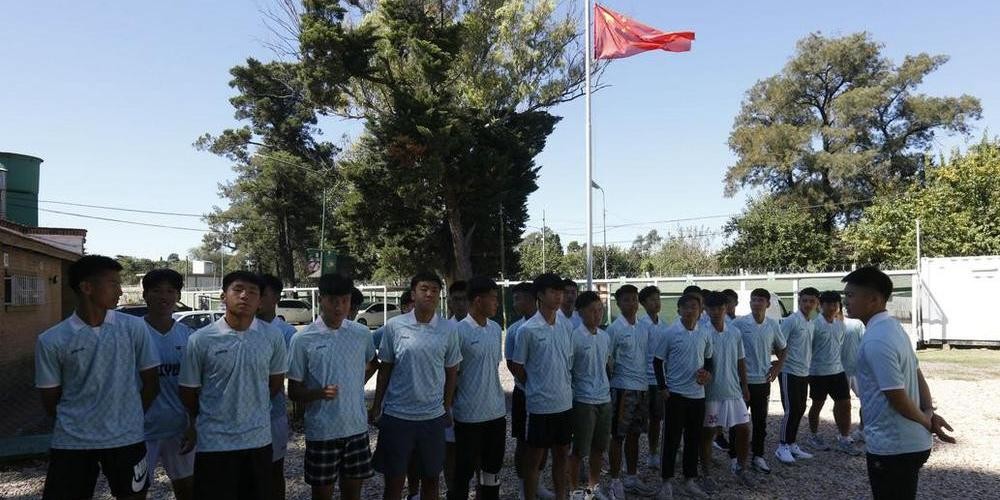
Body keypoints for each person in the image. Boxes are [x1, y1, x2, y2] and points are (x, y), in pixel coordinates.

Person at [36, 255, 160, 500]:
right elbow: (50, 399)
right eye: (113, 283)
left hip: (127, 437)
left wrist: (129, 415)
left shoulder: (134, 328)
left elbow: (151, 382)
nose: (121, 290)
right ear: (87, 287)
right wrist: (79, 420)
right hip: (72, 441)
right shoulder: (52, 340)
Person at [842, 267, 955, 500]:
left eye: (851, 295)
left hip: (893, 446)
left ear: (873, 299)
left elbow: (897, 397)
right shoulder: (893, 328)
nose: (845, 301)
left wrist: (927, 420)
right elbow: (917, 372)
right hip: (907, 443)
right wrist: (929, 413)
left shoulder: (876, 339)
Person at [179, 271, 288, 500]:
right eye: (237, 289)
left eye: (253, 292)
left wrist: (252, 407)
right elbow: (188, 391)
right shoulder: (201, 339)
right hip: (214, 443)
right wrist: (214, 414)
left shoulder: (272, 337)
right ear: (223, 296)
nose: (244, 296)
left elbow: (275, 383)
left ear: (259, 301)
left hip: (258, 440)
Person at [287, 273, 379, 500]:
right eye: (333, 301)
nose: (339, 307)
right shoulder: (303, 339)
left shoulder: (360, 333)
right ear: (321, 299)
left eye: (345, 301)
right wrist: (318, 393)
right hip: (322, 431)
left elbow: (373, 363)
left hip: (356, 428)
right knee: (322, 494)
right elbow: (294, 391)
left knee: (353, 494)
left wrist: (357, 382)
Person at [370, 272, 462, 500]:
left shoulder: (448, 329)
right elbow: (385, 368)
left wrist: (447, 406)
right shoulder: (395, 326)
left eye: (434, 289)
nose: (429, 293)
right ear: (413, 293)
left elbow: (452, 372)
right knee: (394, 479)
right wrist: (376, 405)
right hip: (398, 415)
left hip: (431, 417)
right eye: (424, 288)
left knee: (431, 479)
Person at [510, 273, 575, 500]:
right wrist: (536, 385)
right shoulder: (526, 330)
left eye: (561, 292)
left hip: (565, 403)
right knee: (534, 460)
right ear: (540, 295)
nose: (559, 297)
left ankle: (561, 496)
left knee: (561, 456)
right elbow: (517, 366)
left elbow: (569, 362)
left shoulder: (566, 326)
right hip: (538, 406)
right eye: (553, 292)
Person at [450, 277, 507, 500]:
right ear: (477, 300)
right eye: (493, 298)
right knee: (463, 471)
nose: (497, 303)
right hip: (469, 415)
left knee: (492, 470)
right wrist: (449, 406)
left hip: (496, 412)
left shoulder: (494, 329)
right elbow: (452, 374)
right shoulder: (458, 331)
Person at [141, 269, 196, 500]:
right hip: (141, 430)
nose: (164, 296)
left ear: (178, 295)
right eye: (156, 291)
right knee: (136, 490)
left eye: (170, 291)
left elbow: (196, 388)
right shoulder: (132, 333)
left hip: (179, 428)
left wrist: (194, 424)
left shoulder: (189, 337)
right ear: (145, 295)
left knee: (187, 489)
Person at [653, 293, 713, 499]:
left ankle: (689, 480)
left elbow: (709, 358)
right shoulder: (670, 332)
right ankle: (666, 482)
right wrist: (663, 387)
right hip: (675, 395)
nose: (690, 311)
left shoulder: (704, 332)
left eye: (694, 307)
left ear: (700, 310)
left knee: (693, 439)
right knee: (671, 439)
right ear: (679, 310)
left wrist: (707, 373)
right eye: (686, 307)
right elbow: (658, 361)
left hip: (698, 395)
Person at [606, 285, 658, 498]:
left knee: (635, 435)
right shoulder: (614, 329)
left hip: (642, 388)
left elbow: (647, 358)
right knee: (618, 436)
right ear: (618, 304)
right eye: (626, 300)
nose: (632, 303)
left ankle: (631, 477)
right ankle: (615, 480)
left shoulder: (644, 328)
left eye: (635, 299)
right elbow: (607, 362)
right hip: (622, 389)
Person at [505, 282, 555, 500]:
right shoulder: (516, 330)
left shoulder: (552, 324)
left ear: (533, 299)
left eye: (520, 298)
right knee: (523, 441)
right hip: (524, 394)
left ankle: (538, 482)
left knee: (544, 441)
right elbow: (511, 363)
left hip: (549, 395)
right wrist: (529, 383)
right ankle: (523, 485)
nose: (516, 303)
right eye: (514, 299)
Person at [729, 288, 786, 474]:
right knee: (737, 421)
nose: (756, 303)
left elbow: (782, 348)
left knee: (760, 421)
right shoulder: (739, 323)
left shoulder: (772, 325)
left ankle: (758, 456)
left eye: (760, 300)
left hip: (763, 381)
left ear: (768, 304)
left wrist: (778, 366)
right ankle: (734, 457)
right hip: (740, 381)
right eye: (753, 299)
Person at [700, 292, 753, 491]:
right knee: (708, 434)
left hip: (733, 390)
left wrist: (745, 386)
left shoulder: (735, 332)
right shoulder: (702, 332)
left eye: (720, 308)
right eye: (711, 308)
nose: (716, 312)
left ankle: (740, 468)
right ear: (706, 309)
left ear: (727, 308)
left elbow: (740, 360)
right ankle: (706, 474)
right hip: (711, 393)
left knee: (744, 429)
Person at [257, 274, 299, 500]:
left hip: (273, 413)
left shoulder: (287, 333)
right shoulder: (242, 328)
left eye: (263, 293)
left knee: (274, 471)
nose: (257, 299)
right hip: (240, 418)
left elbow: (291, 377)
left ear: (276, 297)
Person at [568, 291, 612, 498]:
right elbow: (568, 370)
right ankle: (574, 489)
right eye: (592, 310)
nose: (597, 314)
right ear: (580, 313)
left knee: (599, 448)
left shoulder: (605, 337)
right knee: (579, 450)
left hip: (605, 399)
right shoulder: (574, 337)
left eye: (600, 309)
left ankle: (593, 488)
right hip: (583, 400)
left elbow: (607, 365)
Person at [806, 291, 861, 456]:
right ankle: (814, 435)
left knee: (845, 403)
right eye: (828, 304)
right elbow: (808, 348)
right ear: (821, 306)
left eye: (835, 304)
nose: (832, 307)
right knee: (817, 404)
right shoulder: (814, 324)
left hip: (838, 371)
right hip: (817, 372)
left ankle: (844, 438)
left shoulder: (840, 325)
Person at [775, 287, 820, 464]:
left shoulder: (810, 322)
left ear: (817, 304)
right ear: (799, 301)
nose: (808, 304)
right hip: (789, 372)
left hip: (804, 372)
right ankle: (782, 446)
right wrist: (781, 364)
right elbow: (779, 344)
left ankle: (792, 443)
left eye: (812, 301)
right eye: (804, 301)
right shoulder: (791, 320)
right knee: (791, 409)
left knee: (800, 408)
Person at [638, 286, 667, 470]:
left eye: (658, 298)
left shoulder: (664, 325)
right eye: (651, 299)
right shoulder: (640, 325)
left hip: (658, 379)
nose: (656, 302)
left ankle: (653, 452)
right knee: (637, 421)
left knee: (656, 418)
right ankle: (629, 457)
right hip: (642, 380)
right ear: (643, 303)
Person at [841, 314, 867, 442]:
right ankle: (844, 434)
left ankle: (862, 429)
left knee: (866, 400)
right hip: (839, 370)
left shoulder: (857, 324)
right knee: (844, 403)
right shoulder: (825, 325)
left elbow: (865, 343)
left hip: (856, 369)